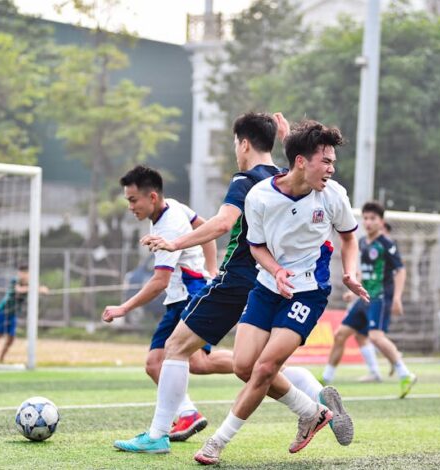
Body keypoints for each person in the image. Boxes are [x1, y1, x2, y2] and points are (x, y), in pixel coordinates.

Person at [119, 112, 354, 456]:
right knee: (259, 365)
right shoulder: (281, 175)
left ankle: (159, 433)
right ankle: (314, 395)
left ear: (243, 143)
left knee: (176, 347)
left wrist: (175, 244)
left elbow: (221, 224)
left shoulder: (245, 181)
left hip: (244, 277)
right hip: (271, 279)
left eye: (234, 143)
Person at [193, 119, 368, 465]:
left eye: (333, 161)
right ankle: (312, 411)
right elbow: (256, 247)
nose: (332, 169)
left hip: (308, 292)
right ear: (301, 162)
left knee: (264, 368)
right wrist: (276, 271)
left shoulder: (333, 196)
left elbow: (348, 238)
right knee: (243, 366)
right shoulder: (260, 197)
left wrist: (350, 271)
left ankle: (217, 442)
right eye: (326, 161)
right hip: (267, 286)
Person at [103, 165, 232, 449]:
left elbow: (159, 281)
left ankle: (256, 364)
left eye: (132, 200)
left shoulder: (168, 225)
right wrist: (211, 268)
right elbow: (206, 228)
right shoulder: (172, 207)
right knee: (155, 365)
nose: (129, 207)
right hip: (178, 300)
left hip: (189, 297)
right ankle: (187, 414)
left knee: (198, 363)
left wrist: (123, 308)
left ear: (151, 197)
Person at [321, 201, 416, 397]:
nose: (368, 222)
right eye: (365, 218)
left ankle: (405, 373)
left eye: (373, 218)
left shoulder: (386, 244)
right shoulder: (363, 242)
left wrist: (397, 297)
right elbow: (363, 271)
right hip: (364, 298)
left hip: (379, 298)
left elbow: (400, 270)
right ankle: (325, 379)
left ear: (381, 222)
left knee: (375, 336)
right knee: (341, 334)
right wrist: (354, 288)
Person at [0, 264, 49, 362]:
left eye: (26, 273)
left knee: (11, 338)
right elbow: (19, 290)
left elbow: (42, 289)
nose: (24, 275)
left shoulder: (32, 283)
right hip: (3, 310)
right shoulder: (15, 281)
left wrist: (43, 290)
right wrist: (36, 289)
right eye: (22, 273)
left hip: (13, 313)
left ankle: (1, 358)